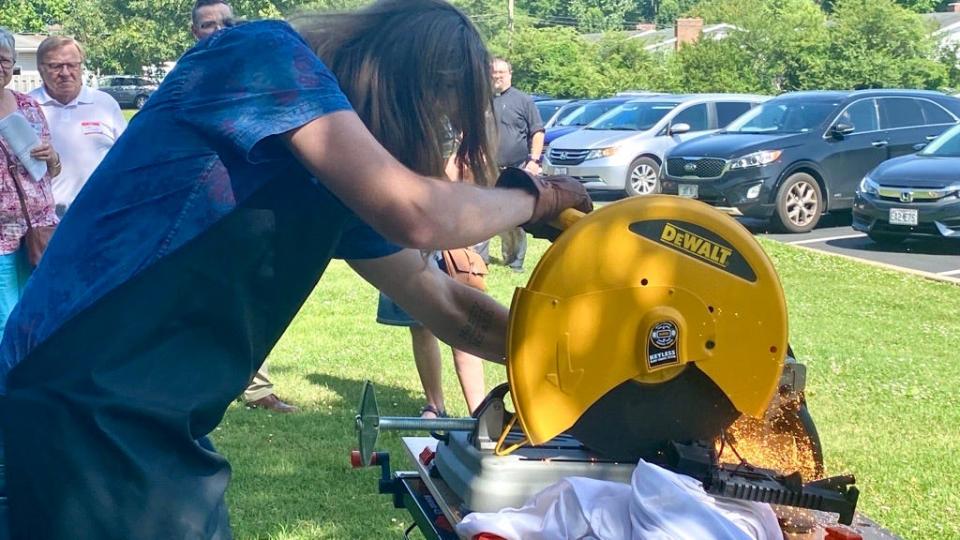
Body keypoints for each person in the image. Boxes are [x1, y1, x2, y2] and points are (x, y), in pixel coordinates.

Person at [0, 1, 591, 538]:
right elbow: (419, 214)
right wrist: (534, 197)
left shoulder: (337, 183)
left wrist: (580, 359)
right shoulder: (259, 58)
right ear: (398, 77)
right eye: (433, 113)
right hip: (80, 387)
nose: (427, 136)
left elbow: (445, 302)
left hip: (157, 413)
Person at [191, 0, 297, 414]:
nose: (217, 30)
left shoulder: (258, 81)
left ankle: (256, 387)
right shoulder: (186, 81)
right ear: (194, 33)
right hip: (199, 210)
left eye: (225, 23)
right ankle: (198, 383)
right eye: (207, 24)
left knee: (253, 291)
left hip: (249, 203)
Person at [0, 28, 61, 340]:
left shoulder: (29, 105)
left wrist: (51, 156)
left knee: (38, 313)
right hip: (1, 239)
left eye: (4, 61)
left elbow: (53, 170)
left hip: (39, 229)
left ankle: (31, 380)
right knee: (6, 320)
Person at [28, 36, 126, 216]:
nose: (65, 72)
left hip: (99, 213)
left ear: (81, 67)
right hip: (45, 219)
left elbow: (127, 157)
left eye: (72, 65)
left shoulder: (104, 103)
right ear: (41, 69)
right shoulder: (27, 107)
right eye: (56, 66)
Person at [477, 58, 545, 272]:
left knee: (515, 217)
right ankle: (480, 260)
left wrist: (534, 160)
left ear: (510, 74)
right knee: (483, 213)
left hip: (516, 168)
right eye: (493, 72)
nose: (497, 76)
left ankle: (515, 262)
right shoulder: (481, 101)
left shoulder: (523, 101)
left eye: (501, 72)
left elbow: (537, 132)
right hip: (486, 167)